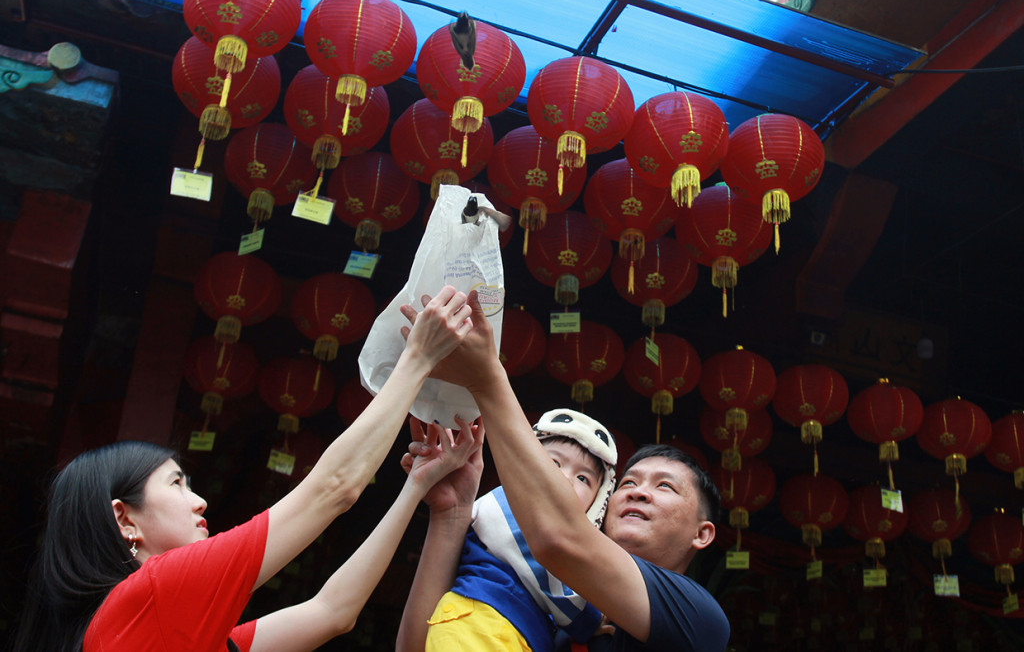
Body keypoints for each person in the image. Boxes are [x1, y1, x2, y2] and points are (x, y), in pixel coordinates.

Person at [12, 286, 478, 652]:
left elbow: (334, 611)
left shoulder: (167, 623)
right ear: (123, 518)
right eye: (177, 484)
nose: (200, 501)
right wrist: (416, 359)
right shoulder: (153, 592)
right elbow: (332, 489)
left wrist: (414, 489)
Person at [396, 291, 730, 652]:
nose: (638, 491)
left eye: (665, 486)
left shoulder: (700, 619)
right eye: (629, 482)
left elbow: (558, 540)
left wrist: (487, 380)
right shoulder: (555, 617)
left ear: (703, 533)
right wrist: (450, 514)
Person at [424, 408, 618, 652]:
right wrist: (588, 619)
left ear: (597, 503)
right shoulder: (508, 502)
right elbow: (544, 570)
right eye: (554, 463)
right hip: (478, 621)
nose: (565, 478)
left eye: (583, 479)